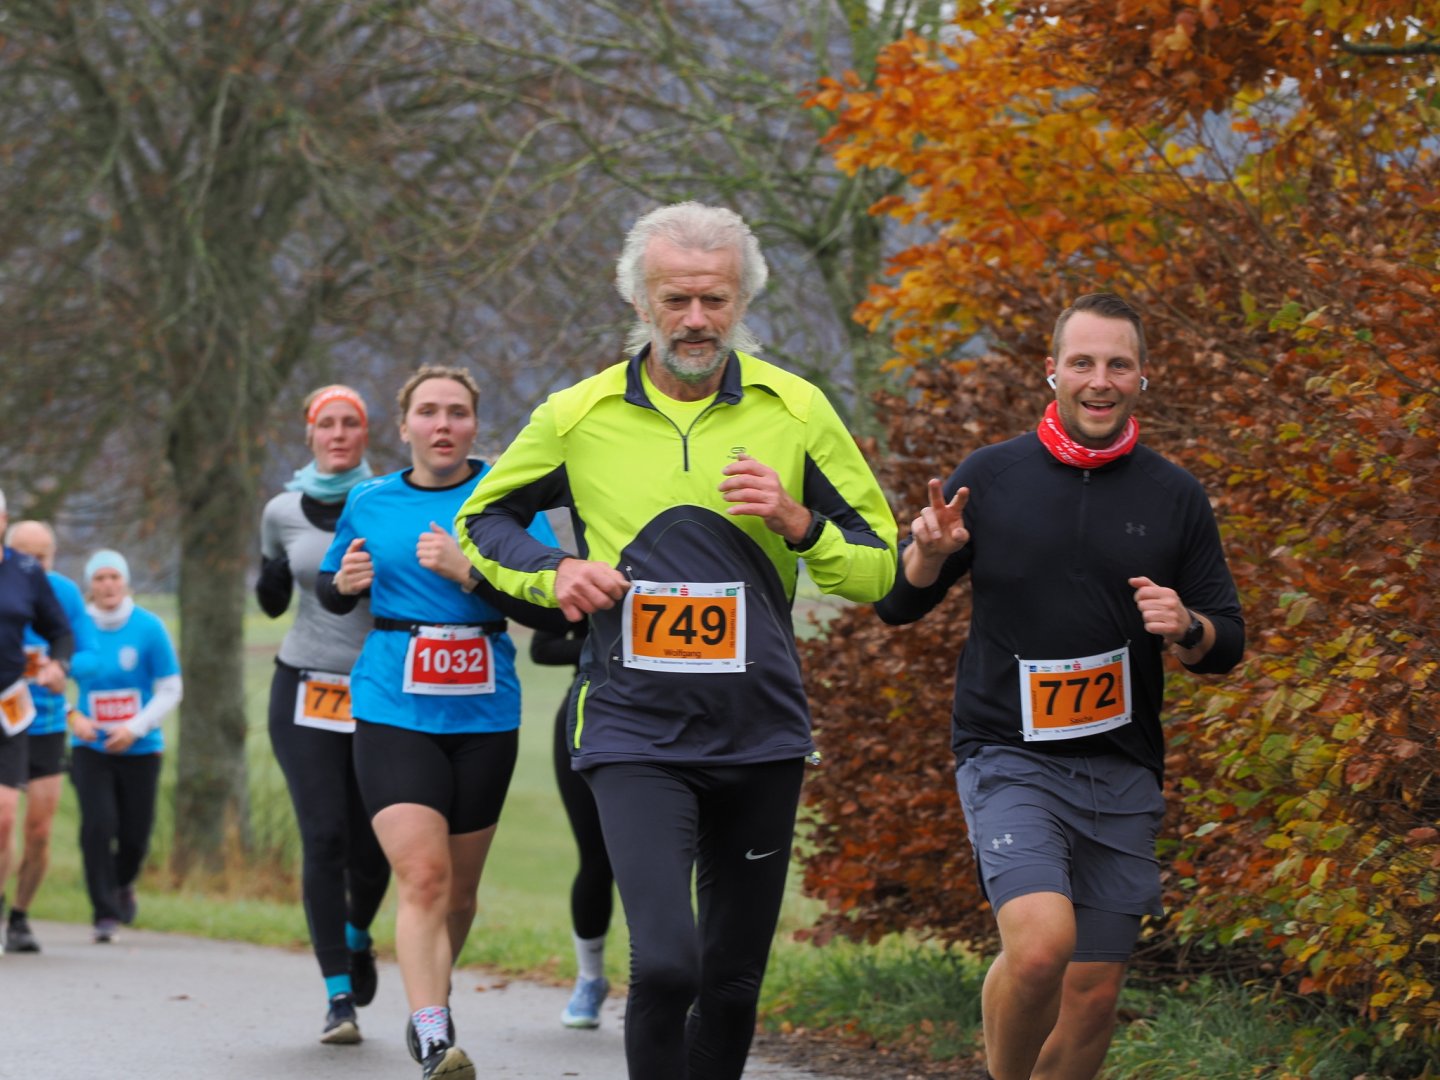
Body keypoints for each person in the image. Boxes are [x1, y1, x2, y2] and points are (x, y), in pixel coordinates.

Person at [455, 201, 898, 1079]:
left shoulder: (796, 410)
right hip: (633, 730)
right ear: (640, 300)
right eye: (676, 299)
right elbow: (481, 521)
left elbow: (880, 568)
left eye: (715, 300)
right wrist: (555, 572)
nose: (696, 320)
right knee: (666, 964)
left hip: (759, 731)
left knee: (731, 982)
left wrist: (800, 522)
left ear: (742, 302)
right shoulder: (577, 415)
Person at [875, 292, 1245, 1080]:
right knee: (1043, 950)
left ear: (1142, 376)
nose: (1100, 379)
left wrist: (1187, 626)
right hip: (1008, 755)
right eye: (1083, 362)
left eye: (1118, 364)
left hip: (1121, 762)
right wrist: (929, 553)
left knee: (1093, 994)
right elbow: (899, 606)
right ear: (1053, 371)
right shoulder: (992, 476)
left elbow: (1226, 643)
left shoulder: (1174, 494)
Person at [317, 365, 563, 1080]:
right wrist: (343, 585)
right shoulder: (369, 500)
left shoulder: (508, 501)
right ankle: (432, 1033)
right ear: (405, 427)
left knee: (458, 891)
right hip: (392, 704)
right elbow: (333, 586)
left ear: (474, 425)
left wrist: (469, 574)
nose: (443, 424)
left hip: (484, 711)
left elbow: (549, 606)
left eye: (457, 411)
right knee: (422, 876)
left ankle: (433, 995)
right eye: (428, 411)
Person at [258, 384, 391, 1044]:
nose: (338, 434)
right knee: (325, 836)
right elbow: (272, 598)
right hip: (304, 687)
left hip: (379, 690)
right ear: (309, 435)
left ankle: (357, 933)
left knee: (377, 843)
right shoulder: (280, 511)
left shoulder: (389, 501)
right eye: (326, 424)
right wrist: (272, 576)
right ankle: (338, 997)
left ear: (365, 434)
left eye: (350, 424)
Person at [69, 549, 183, 944]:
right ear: (90, 586)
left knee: (135, 836)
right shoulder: (77, 628)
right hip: (90, 747)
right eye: (99, 578)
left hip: (140, 747)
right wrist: (73, 716)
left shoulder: (149, 628)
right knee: (98, 824)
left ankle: (122, 883)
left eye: (114, 577)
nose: (108, 585)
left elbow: (171, 688)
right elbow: (47, 682)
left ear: (126, 582)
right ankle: (104, 912)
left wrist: (134, 728)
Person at [4, 519, 98, 954]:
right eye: (27, 555)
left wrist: (60, 668)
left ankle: (20, 916)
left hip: (46, 722)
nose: (35, 564)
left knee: (39, 829)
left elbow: (90, 653)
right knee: (3, 820)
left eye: (43, 556)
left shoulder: (63, 593)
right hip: (6, 719)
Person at [529, 619, 615, 1028]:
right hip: (588, 718)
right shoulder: (593, 579)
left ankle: (671, 982)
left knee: (666, 862)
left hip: (672, 719)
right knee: (596, 858)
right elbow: (542, 648)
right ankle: (590, 978)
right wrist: (613, 647)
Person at [0, 490, 76, 955]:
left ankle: (16, 915)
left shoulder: (29, 574)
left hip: (14, 708)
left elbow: (64, 633)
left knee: (13, 819)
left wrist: (58, 666)